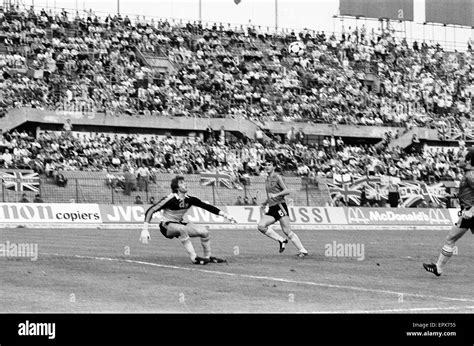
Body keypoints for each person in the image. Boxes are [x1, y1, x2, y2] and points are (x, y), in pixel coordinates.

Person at [140, 175, 237, 265]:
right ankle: (194, 257)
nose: (185, 184)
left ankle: (208, 257)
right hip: (166, 226)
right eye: (181, 183)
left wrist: (226, 216)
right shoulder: (170, 199)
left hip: (180, 223)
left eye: (184, 182)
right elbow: (151, 210)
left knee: (204, 232)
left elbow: (207, 207)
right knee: (182, 229)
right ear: (177, 187)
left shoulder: (189, 199)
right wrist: (145, 229)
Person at [423, 149, 474, 276]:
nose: (458, 159)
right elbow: (468, 193)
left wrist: (472, 211)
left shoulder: (470, 175)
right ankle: (438, 267)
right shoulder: (468, 174)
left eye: (461, 157)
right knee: (450, 239)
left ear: (468, 160)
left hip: (469, 213)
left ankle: (438, 268)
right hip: (468, 211)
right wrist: (454, 195)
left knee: (450, 238)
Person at [257, 159, 308, 257]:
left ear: (274, 167)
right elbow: (270, 195)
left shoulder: (278, 177)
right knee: (261, 226)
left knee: (287, 231)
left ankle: (303, 250)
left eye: (269, 164)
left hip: (280, 206)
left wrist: (276, 195)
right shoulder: (267, 179)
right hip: (271, 207)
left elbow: (287, 191)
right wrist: (265, 203)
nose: (267, 166)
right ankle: (281, 240)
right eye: (265, 165)